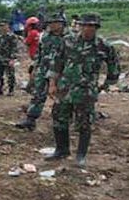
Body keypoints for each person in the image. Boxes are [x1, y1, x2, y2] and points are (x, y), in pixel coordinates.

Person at [47, 13, 119, 167]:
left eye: (92, 26)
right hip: (65, 88)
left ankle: (81, 156)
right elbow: (57, 63)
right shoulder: (67, 41)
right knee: (59, 118)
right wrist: (52, 83)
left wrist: (106, 84)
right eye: (85, 25)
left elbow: (114, 66)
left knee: (84, 123)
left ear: (97, 28)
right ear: (79, 26)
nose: (88, 29)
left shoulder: (103, 46)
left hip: (86, 91)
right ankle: (61, 150)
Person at [16, 12, 67, 131]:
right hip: (43, 69)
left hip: (61, 72)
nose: (53, 25)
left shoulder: (69, 38)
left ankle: (63, 122)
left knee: (62, 97)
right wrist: (35, 67)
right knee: (38, 95)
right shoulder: (45, 37)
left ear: (62, 24)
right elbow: (39, 53)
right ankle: (30, 120)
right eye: (51, 23)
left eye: (56, 23)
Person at [0, 21, 18, 96]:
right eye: (0, 26)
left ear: (7, 26)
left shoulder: (12, 36)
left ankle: (11, 90)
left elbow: (14, 48)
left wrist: (12, 59)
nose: (2, 27)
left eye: (4, 25)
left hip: (7, 58)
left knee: (10, 75)